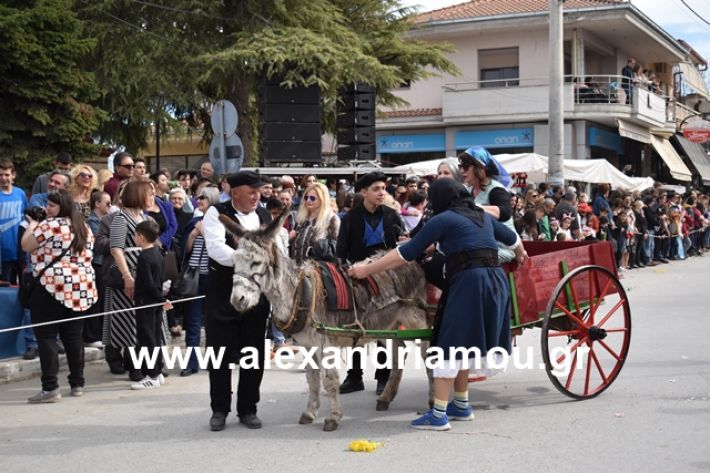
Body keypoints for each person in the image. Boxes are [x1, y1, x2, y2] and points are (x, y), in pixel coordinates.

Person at [348, 179, 527, 430]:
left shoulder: (444, 219)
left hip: (469, 283)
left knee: (450, 345)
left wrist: (367, 269)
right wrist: (520, 253)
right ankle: (462, 405)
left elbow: (405, 253)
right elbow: (513, 238)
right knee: (466, 344)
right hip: (495, 282)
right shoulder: (480, 216)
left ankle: (439, 414)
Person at [202, 170, 272, 431]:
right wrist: (249, 259)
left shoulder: (264, 214)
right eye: (252, 191)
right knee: (219, 354)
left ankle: (248, 408)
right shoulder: (216, 212)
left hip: (257, 294)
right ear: (235, 193)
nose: (257, 195)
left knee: (253, 353)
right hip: (223, 293)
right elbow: (217, 249)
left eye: (259, 191)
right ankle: (219, 409)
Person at [21, 189, 97, 403]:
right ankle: (77, 383)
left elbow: (26, 245)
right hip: (80, 288)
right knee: (73, 337)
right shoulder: (84, 227)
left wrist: (33, 224)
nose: (47, 208)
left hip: (51, 286)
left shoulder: (50, 225)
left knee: (46, 337)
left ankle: (50, 388)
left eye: (52, 205)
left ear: (62, 206)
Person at [336, 172, 404, 395]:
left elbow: (401, 245)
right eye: (376, 189)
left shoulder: (392, 215)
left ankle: (383, 376)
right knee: (356, 328)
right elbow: (340, 252)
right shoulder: (350, 218)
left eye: (383, 188)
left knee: (384, 330)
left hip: (387, 281)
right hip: (357, 280)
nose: (381, 192)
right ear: (363, 192)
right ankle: (354, 376)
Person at [103, 180, 151, 381]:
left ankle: (149, 363)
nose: (152, 197)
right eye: (148, 194)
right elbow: (116, 249)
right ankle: (134, 367)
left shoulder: (143, 216)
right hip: (128, 274)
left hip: (146, 274)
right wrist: (127, 277)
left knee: (145, 322)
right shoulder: (121, 218)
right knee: (129, 323)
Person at [179, 187, 220, 376]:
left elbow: (220, 249)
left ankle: (214, 360)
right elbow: (185, 250)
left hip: (212, 277)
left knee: (213, 321)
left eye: (202, 197)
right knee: (193, 321)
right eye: (197, 197)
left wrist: (205, 233)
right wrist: (194, 234)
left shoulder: (221, 222)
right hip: (193, 276)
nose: (198, 200)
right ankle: (191, 362)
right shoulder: (194, 221)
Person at [130, 219, 171, 390]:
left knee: (147, 339)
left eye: (135, 235)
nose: (133, 237)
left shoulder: (144, 257)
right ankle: (158, 372)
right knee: (154, 337)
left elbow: (148, 283)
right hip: (155, 301)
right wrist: (161, 298)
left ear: (141, 237)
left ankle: (152, 375)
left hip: (146, 302)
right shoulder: (158, 253)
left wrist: (162, 299)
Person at [458, 146, 516, 262]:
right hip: (480, 245)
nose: (461, 171)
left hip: (503, 247)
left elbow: (505, 212)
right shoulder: (468, 191)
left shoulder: (496, 189)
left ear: (480, 167)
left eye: (465, 167)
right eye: (460, 166)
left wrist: (476, 208)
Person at [290, 182, 340, 264]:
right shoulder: (301, 218)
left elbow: (336, 248)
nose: (308, 201)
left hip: (318, 271)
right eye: (306, 198)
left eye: (312, 198)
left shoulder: (332, 219)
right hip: (295, 269)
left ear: (322, 199)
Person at [0, 160, 28, 284]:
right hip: (3, 252)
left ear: (13, 175)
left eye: (6, 174)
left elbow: (27, 219)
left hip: (20, 250)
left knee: (22, 287)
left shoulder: (20, 193)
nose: (3, 178)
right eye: (0, 175)